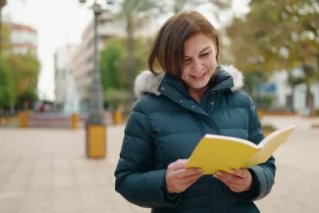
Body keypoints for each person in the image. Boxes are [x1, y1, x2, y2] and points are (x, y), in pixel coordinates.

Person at [114, 11, 275, 213]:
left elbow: (266, 165)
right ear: (169, 60)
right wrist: (165, 183)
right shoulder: (147, 109)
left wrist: (252, 181)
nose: (197, 67)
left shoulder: (242, 103)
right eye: (185, 59)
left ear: (216, 48)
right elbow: (126, 179)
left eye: (205, 54)